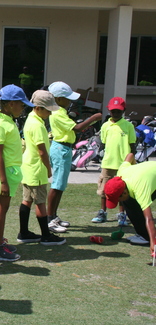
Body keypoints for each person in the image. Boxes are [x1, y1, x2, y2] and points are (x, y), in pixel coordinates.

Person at [0, 84, 34, 261]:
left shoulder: (8, 121)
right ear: (11, 104)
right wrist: (3, 181)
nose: (23, 108)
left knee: (2, 206)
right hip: (3, 171)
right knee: (1, 207)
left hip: (9, 170)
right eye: (21, 104)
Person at [47, 81, 103, 232]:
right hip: (60, 149)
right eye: (67, 98)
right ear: (58, 99)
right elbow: (77, 128)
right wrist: (93, 118)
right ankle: (49, 218)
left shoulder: (61, 111)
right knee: (57, 185)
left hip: (64, 148)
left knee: (61, 186)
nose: (70, 101)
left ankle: (53, 216)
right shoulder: (57, 113)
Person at [18, 90, 66, 246]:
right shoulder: (37, 124)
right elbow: (41, 151)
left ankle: (24, 232)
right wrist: (48, 167)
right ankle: (46, 235)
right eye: (48, 110)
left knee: (27, 200)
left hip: (28, 167)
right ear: (37, 107)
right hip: (37, 168)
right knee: (40, 202)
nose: (50, 114)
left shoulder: (31, 119)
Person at [92, 97, 136, 224]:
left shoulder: (128, 125)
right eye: (113, 111)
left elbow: (132, 145)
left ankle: (121, 214)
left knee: (122, 190)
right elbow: (104, 142)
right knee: (104, 189)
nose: (115, 114)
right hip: (108, 163)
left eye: (118, 111)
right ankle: (102, 212)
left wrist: (131, 161)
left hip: (123, 164)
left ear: (124, 111)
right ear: (109, 111)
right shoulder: (105, 126)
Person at [104, 152, 156, 253]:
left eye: (117, 199)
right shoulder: (121, 173)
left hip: (148, 180)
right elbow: (130, 155)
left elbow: (149, 219)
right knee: (129, 202)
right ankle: (144, 235)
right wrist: (135, 166)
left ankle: (147, 238)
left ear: (123, 192)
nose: (118, 202)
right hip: (149, 177)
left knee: (131, 203)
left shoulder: (139, 189)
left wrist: (153, 243)